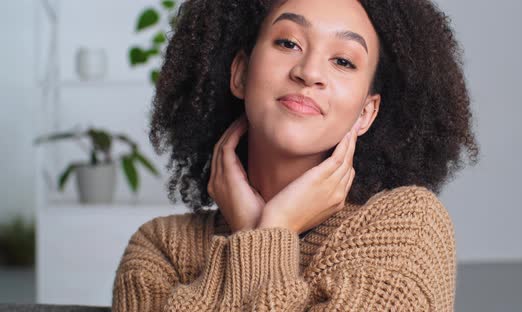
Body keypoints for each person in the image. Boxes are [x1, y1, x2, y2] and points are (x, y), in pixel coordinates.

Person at [112, 0, 479, 310]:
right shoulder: (160, 248)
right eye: (288, 43)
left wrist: (269, 230)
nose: (309, 73)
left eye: (344, 62)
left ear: (366, 112)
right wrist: (266, 233)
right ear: (239, 74)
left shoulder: (406, 226)